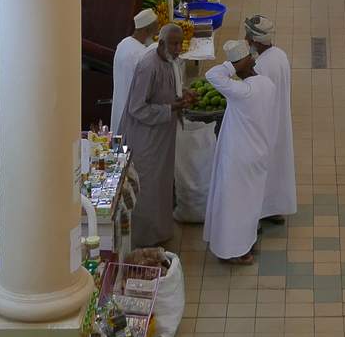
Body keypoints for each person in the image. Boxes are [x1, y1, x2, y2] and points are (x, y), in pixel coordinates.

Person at [202, 40, 280, 264]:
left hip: (238, 157)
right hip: (260, 154)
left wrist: (232, 67)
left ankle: (235, 251)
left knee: (234, 204)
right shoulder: (267, 84)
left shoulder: (241, 91)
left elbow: (213, 75)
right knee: (252, 202)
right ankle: (249, 242)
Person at [119, 22, 192, 248]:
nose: (178, 47)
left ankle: (159, 232)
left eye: (180, 43)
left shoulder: (169, 61)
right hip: (145, 139)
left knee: (161, 186)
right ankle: (142, 240)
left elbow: (168, 91)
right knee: (147, 188)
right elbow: (137, 108)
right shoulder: (149, 66)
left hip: (161, 138)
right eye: (174, 43)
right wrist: (170, 108)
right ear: (161, 43)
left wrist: (184, 95)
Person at [243, 15, 296, 222]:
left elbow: (254, 96)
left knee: (261, 168)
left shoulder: (261, 65)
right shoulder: (280, 55)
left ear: (255, 40)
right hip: (280, 119)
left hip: (264, 124)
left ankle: (260, 212)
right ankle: (276, 209)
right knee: (278, 164)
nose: (246, 41)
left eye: (248, 38)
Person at [110, 9, 158, 132]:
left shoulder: (124, 43)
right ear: (147, 31)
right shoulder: (140, 53)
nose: (157, 33)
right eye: (155, 30)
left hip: (119, 108)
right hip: (132, 114)